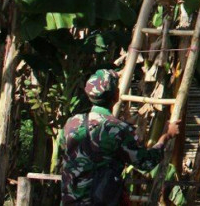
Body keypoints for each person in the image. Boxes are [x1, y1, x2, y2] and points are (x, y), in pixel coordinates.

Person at [59, 69, 180, 205]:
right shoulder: (118, 129)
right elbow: (146, 163)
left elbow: (63, 148)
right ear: (116, 96)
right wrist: (166, 136)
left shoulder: (71, 123)